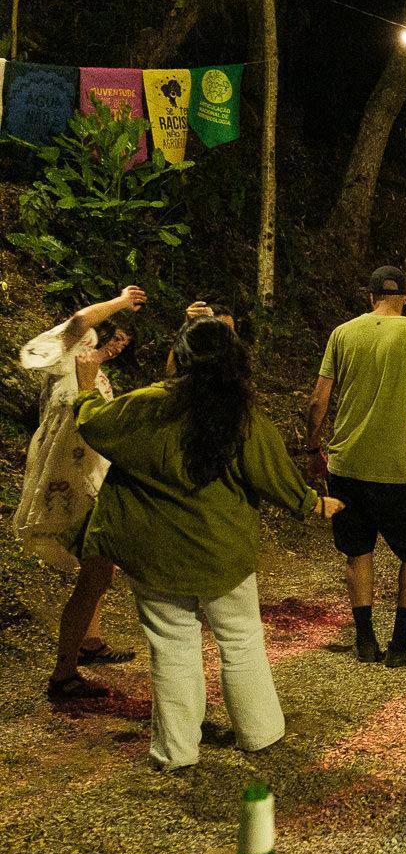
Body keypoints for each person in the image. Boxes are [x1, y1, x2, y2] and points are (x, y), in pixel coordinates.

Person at [77, 317, 344, 771]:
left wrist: (86, 388)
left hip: (156, 554)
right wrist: (311, 503)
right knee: (241, 640)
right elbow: (273, 475)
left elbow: (93, 425)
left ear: (177, 359)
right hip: (223, 551)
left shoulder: (144, 407)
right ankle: (259, 734)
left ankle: (176, 751)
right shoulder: (243, 418)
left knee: (172, 646)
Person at [304, 266, 406, 667]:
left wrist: (314, 450)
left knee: (357, 551)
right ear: (405, 300)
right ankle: (401, 642)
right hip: (396, 466)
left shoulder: (342, 334)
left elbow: (318, 400)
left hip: (345, 463)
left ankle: (365, 640)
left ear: (370, 297)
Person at [18, 286, 146, 701]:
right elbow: (77, 323)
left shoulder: (77, 370)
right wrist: (122, 301)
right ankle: (63, 674)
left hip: (86, 483)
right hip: (77, 489)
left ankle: (87, 645)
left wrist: (109, 351)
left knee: (98, 573)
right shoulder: (63, 358)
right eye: (92, 336)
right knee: (94, 574)